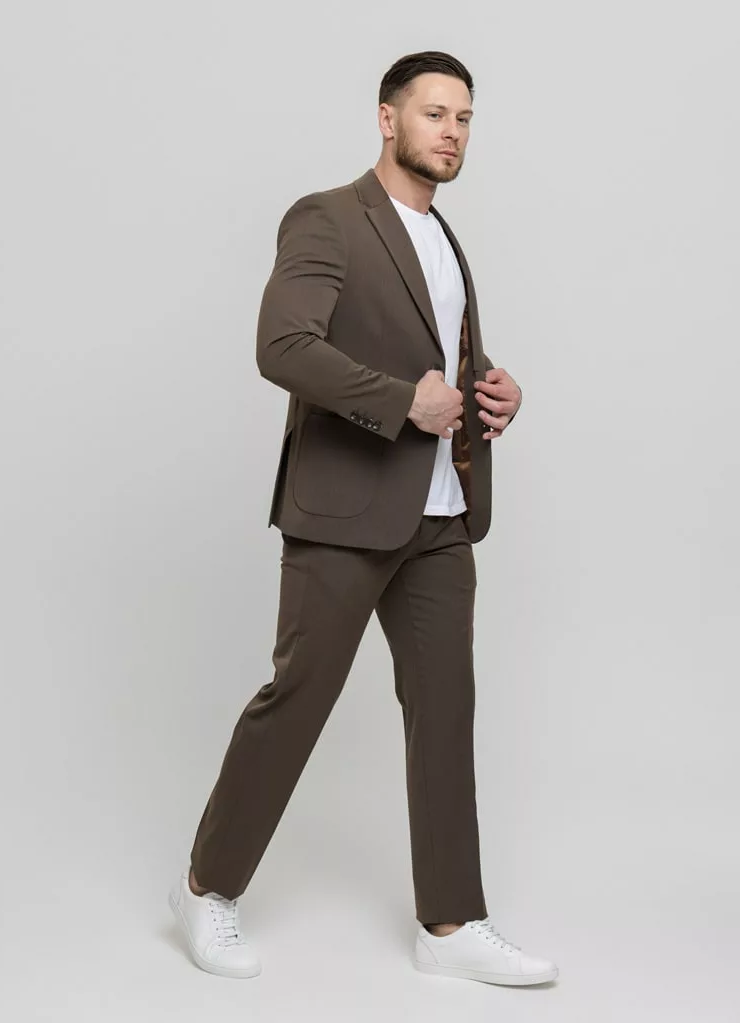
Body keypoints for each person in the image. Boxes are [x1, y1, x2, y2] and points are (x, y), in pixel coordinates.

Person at [168, 49, 558, 987]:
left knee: (446, 710)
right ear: (388, 119)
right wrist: (400, 402)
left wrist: (488, 391)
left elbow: (433, 359)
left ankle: (451, 921)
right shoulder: (328, 218)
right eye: (434, 114)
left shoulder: (445, 237)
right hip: (346, 510)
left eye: (464, 118)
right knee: (299, 698)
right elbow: (282, 344)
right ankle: (206, 886)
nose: (452, 133)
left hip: (441, 515)